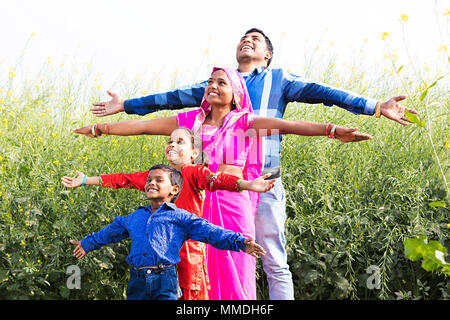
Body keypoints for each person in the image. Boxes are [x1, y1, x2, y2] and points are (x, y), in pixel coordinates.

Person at [87, 28, 419, 300]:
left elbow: (323, 94)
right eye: (244, 37)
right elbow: (165, 103)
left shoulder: (278, 82)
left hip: (262, 180)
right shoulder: (209, 94)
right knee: (199, 261)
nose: (248, 40)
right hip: (207, 187)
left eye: (256, 39)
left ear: (268, 54)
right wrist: (123, 107)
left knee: (270, 256)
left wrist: (373, 107)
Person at [63, 127, 275, 300]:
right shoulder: (156, 178)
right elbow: (124, 179)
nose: (172, 144)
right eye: (170, 141)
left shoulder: (194, 172)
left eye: (180, 141)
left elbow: (217, 180)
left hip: (189, 252)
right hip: (156, 253)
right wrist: (85, 180)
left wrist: (247, 184)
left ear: (193, 154)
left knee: (191, 297)